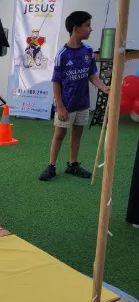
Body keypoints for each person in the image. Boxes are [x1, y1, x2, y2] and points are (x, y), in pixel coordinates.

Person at [38, 11, 111, 181]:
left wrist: (103, 87)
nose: (91, 29)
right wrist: (60, 106)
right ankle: (51, 166)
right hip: (66, 104)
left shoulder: (88, 50)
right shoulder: (62, 54)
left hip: (82, 103)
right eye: (88, 25)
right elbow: (56, 82)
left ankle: (73, 165)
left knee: (77, 135)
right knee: (59, 135)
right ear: (75, 28)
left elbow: (92, 74)